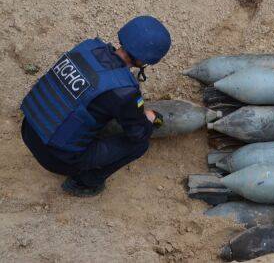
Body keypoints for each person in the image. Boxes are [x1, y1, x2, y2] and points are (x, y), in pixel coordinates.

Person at [20, 16, 171, 197]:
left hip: (29, 129)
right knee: (139, 146)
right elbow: (137, 133)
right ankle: (85, 183)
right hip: (55, 159)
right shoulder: (124, 91)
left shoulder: (88, 47)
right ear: (144, 61)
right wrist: (149, 118)